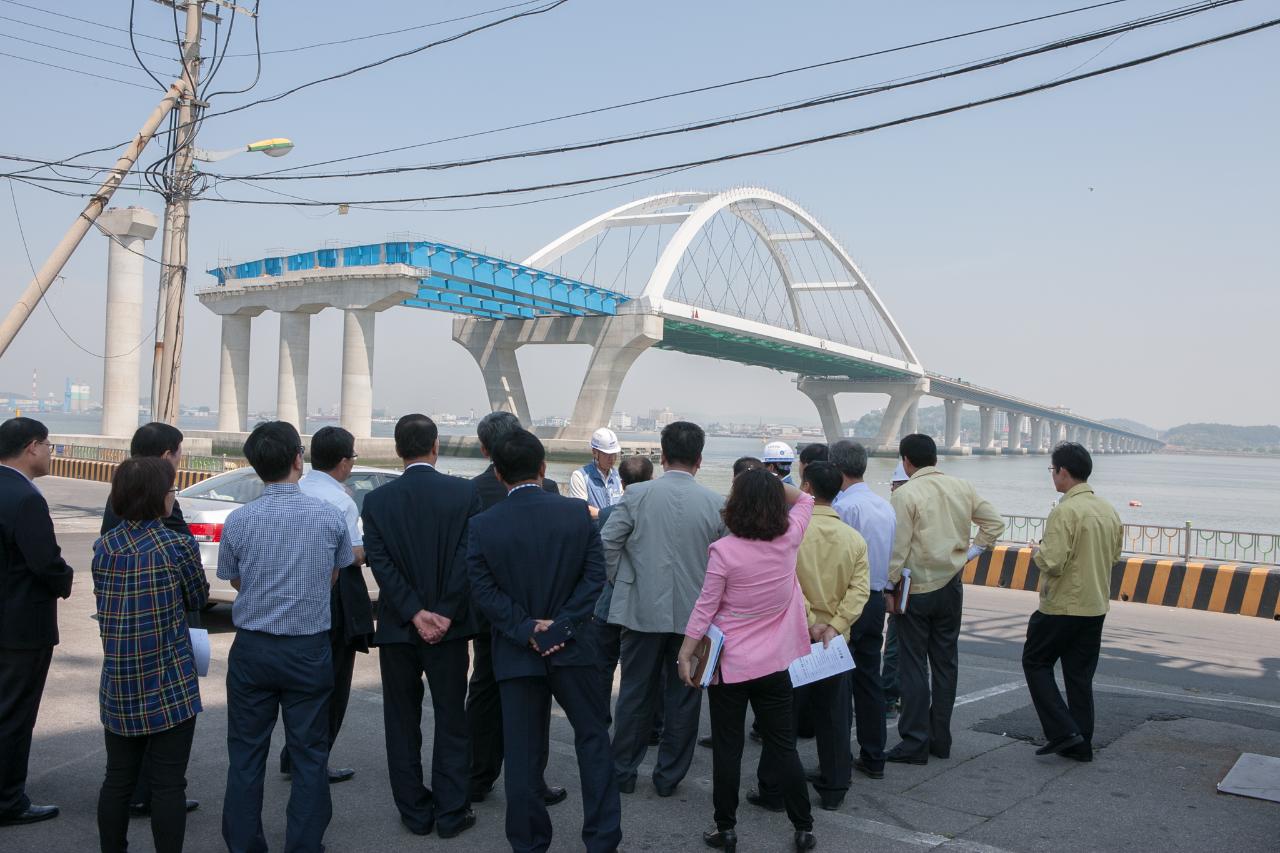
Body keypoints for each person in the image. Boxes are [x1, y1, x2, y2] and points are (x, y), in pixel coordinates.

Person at [467, 429, 622, 853]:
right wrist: (562, 627)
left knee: (522, 754)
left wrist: (525, 629)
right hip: (575, 647)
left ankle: (530, 843)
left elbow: (482, 591)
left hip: (518, 652)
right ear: (542, 468)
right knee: (592, 739)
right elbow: (595, 577)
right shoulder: (576, 515)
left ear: (498, 473)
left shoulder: (482, 525)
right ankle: (602, 838)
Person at [217, 421, 353, 853]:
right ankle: (305, 844)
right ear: (299, 459)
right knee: (310, 754)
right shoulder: (330, 516)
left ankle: (243, 844)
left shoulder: (239, 521)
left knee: (246, 755)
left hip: (253, 648)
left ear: (256, 466)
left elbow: (235, 580)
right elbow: (334, 575)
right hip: (308, 649)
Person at [677, 469, 816, 853]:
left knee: (728, 749)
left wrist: (686, 653)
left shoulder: (725, 551)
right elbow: (805, 499)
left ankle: (726, 829)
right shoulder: (790, 538)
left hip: (730, 667)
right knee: (783, 745)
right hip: (774, 666)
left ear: (735, 504)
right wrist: (772, 484)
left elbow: (705, 608)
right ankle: (803, 826)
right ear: (775, 505)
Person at [363, 414, 480, 838]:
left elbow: (382, 564)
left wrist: (413, 611)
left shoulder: (377, 502)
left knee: (401, 718)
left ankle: (414, 810)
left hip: (398, 628)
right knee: (451, 717)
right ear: (435, 446)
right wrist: (444, 612)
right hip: (450, 631)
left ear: (398, 450)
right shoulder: (464, 494)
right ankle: (451, 813)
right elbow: (469, 558)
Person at [603, 421, 725, 796]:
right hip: (695, 617)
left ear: (664, 454)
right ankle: (668, 776)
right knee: (685, 696)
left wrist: (621, 581)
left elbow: (608, 541)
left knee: (636, 693)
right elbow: (726, 562)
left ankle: (623, 770)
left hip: (641, 610)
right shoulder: (716, 503)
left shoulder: (637, 495)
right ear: (700, 460)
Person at [93, 457, 208, 853]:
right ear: (160, 497)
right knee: (168, 783)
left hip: (119, 680)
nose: (173, 497)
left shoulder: (104, 546)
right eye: (172, 490)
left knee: (118, 779)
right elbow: (198, 596)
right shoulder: (176, 545)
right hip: (169, 681)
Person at [466, 411, 566, 808]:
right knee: (535, 698)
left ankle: (478, 776)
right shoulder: (552, 489)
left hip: (491, 616)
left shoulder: (470, 492)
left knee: (486, 693)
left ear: (486, 449)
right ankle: (532, 781)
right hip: (542, 617)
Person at [886, 434, 1004, 764]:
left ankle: (914, 742)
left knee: (912, 666)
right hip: (951, 586)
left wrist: (888, 587)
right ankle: (941, 739)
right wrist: (971, 552)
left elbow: (897, 550)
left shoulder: (906, 494)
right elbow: (994, 523)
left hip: (917, 589)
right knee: (945, 664)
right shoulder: (962, 487)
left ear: (907, 461)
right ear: (935, 458)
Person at [276, 426, 374, 784]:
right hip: (334, 596)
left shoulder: (295, 487)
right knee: (332, 684)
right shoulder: (342, 501)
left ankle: (294, 754)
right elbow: (351, 556)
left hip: (292, 592)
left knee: (302, 684)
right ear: (345, 462)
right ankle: (314, 760)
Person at [1023, 442, 1122, 762]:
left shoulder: (1065, 510)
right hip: (1095, 604)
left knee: (1035, 662)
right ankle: (1081, 743)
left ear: (1063, 472)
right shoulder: (1108, 509)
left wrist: (1036, 551)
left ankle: (1064, 731)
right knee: (1079, 675)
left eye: (1053, 470)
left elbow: (1052, 562)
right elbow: (1116, 556)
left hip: (1062, 605)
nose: (1053, 476)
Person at [0, 417, 72, 828]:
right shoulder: (26, 497)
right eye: (48, 444)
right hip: (20, 629)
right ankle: (9, 800)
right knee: (14, 714)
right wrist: (65, 581)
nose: (50, 452)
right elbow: (45, 562)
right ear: (31, 447)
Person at [786, 461, 869, 809]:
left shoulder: (791, 532)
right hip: (834, 643)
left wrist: (808, 621)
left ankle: (775, 787)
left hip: (795, 637)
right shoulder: (854, 539)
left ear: (805, 488)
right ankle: (834, 788)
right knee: (834, 720)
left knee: (783, 719)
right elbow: (859, 591)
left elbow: (785, 581)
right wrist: (834, 625)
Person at [828, 440, 895, 777]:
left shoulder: (844, 508)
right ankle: (874, 755)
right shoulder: (884, 506)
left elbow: (838, 562)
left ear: (836, 468)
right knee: (869, 681)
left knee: (839, 684)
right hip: (876, 598)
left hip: (849, 602)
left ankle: (837, 761)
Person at [592, 455, 654, 720]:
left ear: (621, 480)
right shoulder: (654, 513)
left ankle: (599, 717)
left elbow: (602, 554)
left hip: (608, 600)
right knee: (640, 670)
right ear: (651, 480)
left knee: (603, 666)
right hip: (641, 601)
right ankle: (648, 725)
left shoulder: (608, 513)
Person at [881, 462, 912, 718]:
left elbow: (896, 552)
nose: (893, 489)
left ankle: (889, 697)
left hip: (902, 587)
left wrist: (889, 588)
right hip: (927, 587)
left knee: (893, 646)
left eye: (895, 485)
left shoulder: (898, 509)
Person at [568, 427, 623, 520]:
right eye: (607, 454)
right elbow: (580, 510)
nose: (612, 459)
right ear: (594, 452)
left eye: (614, 454)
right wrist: (609, 514)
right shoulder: (580, 476)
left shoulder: (618, 476)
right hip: (593, 533)